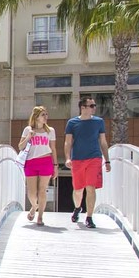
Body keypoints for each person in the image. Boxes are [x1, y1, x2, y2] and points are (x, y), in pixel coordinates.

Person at [64, 96, 111, 229]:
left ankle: (89, 217)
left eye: (94, 105)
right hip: (77, 159)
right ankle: (77, 207)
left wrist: (107, 160)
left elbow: (103, 142)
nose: (94, 108)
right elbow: (68, 142)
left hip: (94, 158)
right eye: (91, 106)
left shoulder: (99, 122)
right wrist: (67, 158)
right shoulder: (72, 123)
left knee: (91, 187)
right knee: (78, 189)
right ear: (83, 107)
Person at [18, 106, 58, 226]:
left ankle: (40, 216)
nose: (46, 117)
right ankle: (34, 206)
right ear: (36, 117)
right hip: (31, 162)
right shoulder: (28, 129)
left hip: (46, 161)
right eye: (43, 115)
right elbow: (20, 147)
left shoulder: (50, 130)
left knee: (42, 190)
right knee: (31, 192)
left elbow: (53, 148)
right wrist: (29, 137)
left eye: (46, 114)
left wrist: (55, 165)